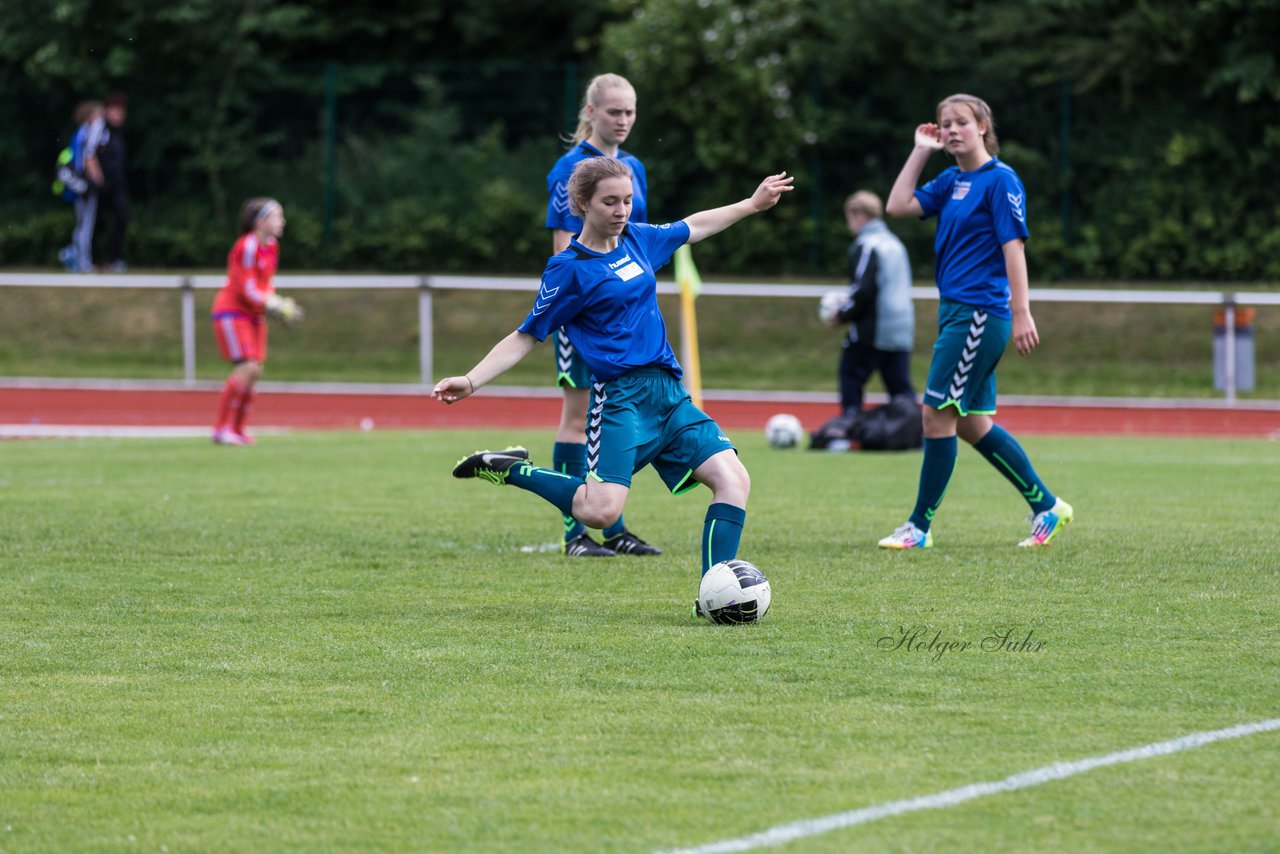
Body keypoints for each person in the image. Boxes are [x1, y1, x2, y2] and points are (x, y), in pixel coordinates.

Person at [434, 159, 793, 602]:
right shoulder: (568, 269)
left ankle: (711, 596)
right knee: (600, 513)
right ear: (583, 204)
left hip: (669, 394)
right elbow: (527, 335)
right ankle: (511, 469)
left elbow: (693, 226)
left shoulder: (638, 240)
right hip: (621, 401)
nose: (622, 210)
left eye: (627, 200)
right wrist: (471, 380)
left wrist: (752, 205)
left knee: (734, 481)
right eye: (610, 201)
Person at [878, 93, 1073, 549]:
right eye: (945, 124)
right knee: (969, 423)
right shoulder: (950, 181)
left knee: (935, 414)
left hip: (980, 314)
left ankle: (918, 527)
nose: (951, 129)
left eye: (961, 122)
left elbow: (1014, 249)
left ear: (983, 126)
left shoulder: (1001, 180)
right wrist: (920, 150)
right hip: (958, 313)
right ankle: (1047, 506)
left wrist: (1023, 312)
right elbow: (897, 206)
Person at [542, 73, 659, 558]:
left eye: (630, 112)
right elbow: (563, 248)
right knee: (577, 417)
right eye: (615, 111)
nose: (624, 120)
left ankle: (614, 528)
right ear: (591, 113)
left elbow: (635, 240)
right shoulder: (570, 169)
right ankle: (576, 533)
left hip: (628, 316)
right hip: (588, 315)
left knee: (616, 416)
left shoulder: (633, 167)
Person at [209, 197, 303, 445]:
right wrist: (274, 304)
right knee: (246, 368)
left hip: (253, 314)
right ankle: (221, 429)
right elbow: (246, 288)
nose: (282, 222)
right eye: (277, 217)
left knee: (255, 371)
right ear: (260, 221)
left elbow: (265, 284)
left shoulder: (271, 246)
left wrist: (274, 305)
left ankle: (238, 430)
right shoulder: (247, 246)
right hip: (232, 312)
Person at [828, 190, 916, 416]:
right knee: (900, 387)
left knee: (850, 376)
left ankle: (848, 429)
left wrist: (842, 314)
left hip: (873, 327)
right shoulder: (896, 244)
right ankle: (914, 433)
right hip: (902, 328)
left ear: (858, 215)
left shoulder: (867, 245)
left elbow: (863, 289)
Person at [58, 100, 106, 273]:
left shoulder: (79, 133)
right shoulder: (87, 133)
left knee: (82, 223)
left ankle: (71, 254)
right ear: (90, 116)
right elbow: (88, 157)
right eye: (99, 115)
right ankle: (82, 260)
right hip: (83, 184)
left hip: (78, 183)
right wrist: (98, 179)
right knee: (86, 224)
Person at [94, 92, 130, 272]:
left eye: (120, 111)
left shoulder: (119, 132)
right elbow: (90, 156)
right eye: (114, 111)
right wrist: (99, 181)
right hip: (101, 186)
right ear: (107, 111)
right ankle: (91, 259)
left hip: (117, 185)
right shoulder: (100, 131)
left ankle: (114, 259)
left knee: (122, 218)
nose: (118, 115)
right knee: (97, 223)